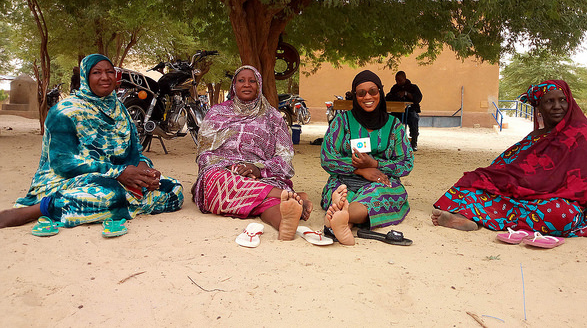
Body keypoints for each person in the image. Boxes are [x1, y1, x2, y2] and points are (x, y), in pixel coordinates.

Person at [0, 54, 184, 231]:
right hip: (67, 180)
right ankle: (39, 208)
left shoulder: (120, 110)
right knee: (110, 194)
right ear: (85, 77)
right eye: (97, 72)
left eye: (110, 72)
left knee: (173, 190)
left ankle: (121, 204)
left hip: (120, 178)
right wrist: (119, 173)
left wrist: (145, 173)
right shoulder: (65, 111)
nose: (105, 77)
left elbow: (135, 150)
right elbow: (63, 164)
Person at [431, 80, 587, 237]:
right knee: (471, 182)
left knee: (557, 214)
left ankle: (479, 217)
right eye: (550, 101)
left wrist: (544, 190)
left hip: (565, 201)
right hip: (521, 197)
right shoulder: (534, 137)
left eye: (562, 100)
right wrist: (495, 180)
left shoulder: (584, 135)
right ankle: (470, 218)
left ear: (570, 103)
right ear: (539, 107)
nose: (557, 106)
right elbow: (506, 167)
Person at [191, 65, 312, 240]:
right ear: (234, 85)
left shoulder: (273, 117)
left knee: (260, 199)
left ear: (259, 85)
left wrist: (258, 168)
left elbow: (285, 158)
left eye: (252, 81)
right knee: (214, 181)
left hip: (261, 177)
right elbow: (204, 153)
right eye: (241, 80)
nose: (246, 85)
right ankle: (288, 196)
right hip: (224, 174)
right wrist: (232, 167)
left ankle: (283, 223)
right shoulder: (216, 113)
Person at [321, 70, 414, 245]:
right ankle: (343, 218)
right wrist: (361, 169)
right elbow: (327, 158)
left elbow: (406, 163)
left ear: (381, 92)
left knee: (378, 194)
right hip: (344, 180)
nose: (367, 96)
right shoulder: (342, 121)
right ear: (355, 96)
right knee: (341, 194)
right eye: (361, 93)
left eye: (373, 91)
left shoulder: (395, 126)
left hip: (381, 182)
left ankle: (342, 219)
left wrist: (376, 164)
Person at [385, 71, 422, 150]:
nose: (398, 82)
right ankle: (390, 141)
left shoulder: (413, 87)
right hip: (397, 111)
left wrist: (406, 94)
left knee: (414, 118)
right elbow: (388, 97)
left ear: (405, 78)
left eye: (400, 80)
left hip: (410, 111)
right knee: (389, 119)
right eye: (396, 80)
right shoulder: (395, 88)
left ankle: (413, 142)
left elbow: (418, 98)